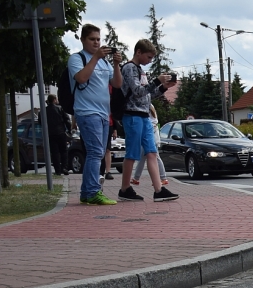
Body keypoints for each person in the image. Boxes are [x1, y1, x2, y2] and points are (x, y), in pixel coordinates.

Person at [67, 24, 122, 204]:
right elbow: (81, 78)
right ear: (83, 40)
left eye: (98, 39)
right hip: (87, 112)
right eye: (92, 39)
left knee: (99, 152)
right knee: (95, 151)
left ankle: (87, 192)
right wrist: (96, 58)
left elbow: (117, 84)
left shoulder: (105, 62)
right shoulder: (77, 59)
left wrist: (115, 65)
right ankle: (92, 192)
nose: (96, 43)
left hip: (104, 114)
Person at [117, 40, 177, 201]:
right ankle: (125, 188)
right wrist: (157, 81)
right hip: (132, 114)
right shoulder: (129, 68)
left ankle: (158, 190)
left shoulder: (140, 70)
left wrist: (164, 87)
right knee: (132, 153)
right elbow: (137, 92)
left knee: (151, 152)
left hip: (144, 115)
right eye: (148, 57)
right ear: (138, 52)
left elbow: (147, 95)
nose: (150, 61)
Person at [132, 103, 168, 187]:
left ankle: (163, 178)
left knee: (154, 158)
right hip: (151, 137)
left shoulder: (145, 106)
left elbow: (149, 123)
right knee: (144, 158)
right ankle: (136, 178)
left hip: (150, 137)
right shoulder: (150, 106)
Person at [44, 94, 70, 175]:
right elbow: (67, 120)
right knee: (63, 151)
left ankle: (57, 170)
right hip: (61, 132)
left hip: (50, 133)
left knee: (54, 152)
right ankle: (64, 168)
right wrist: (69, 130)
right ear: (54, 100)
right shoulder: (60, 108)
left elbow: (41, 122)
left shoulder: (44, 110)